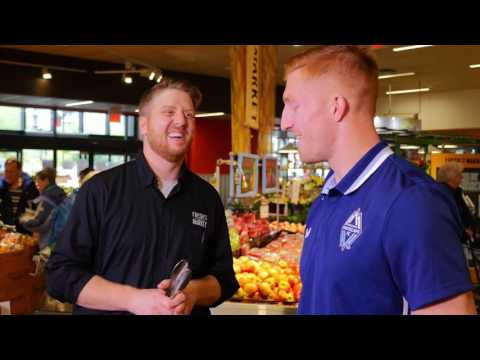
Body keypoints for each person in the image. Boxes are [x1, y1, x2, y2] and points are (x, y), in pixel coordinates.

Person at [281, 45, 476, 315]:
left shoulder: (411, 202)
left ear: (336, 107)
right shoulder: (325, 201)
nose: (285, 122)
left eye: (293, 105)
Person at [45, 78, 239, 315]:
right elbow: (61, 275)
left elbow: (224, 279)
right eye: (169, 112)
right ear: (144, 125)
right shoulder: (101, 190)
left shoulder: (207, 197)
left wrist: (194, 292)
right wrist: (134, 299)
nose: (180, 121)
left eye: (189, 114)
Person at [19, 167, 66, 250]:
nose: (37, 186)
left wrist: (23, 220)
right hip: (61, 239)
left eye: (38, 182)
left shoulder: (48, 197)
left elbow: (40, 223)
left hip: (50, 243)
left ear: (46, 180)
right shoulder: (60, 194)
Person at [437, 162, 477, 244]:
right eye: (459, 175)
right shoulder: (443, 194)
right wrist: (463, 231)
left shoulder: (456, 192)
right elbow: (449, 217)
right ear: (451, 177)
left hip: (459, 238)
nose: (462, 177)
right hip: (450, 240)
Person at [0, 158, 39, 234]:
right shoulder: (2, 187)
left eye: (11, 172)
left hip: (25, 232)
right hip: (5, 232)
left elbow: (35, 208)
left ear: (19, 172)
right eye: (6, 171)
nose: (8, 174)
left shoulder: (29, 187)